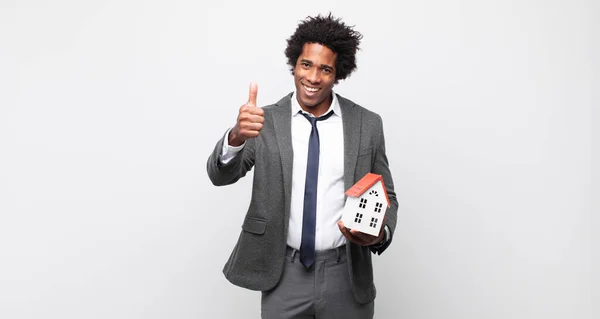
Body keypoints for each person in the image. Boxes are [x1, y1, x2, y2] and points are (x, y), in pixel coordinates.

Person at [207, 13, 398, 319]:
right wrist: (236, 136)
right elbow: (221, 175)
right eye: (306, 65)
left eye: (325, 69)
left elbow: (386, 194)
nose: (312, 78)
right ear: (294, 64)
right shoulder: (264, 121)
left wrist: (380, 233)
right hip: (283, 273)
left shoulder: (367, 124)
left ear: (338, 74)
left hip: (345, 273)